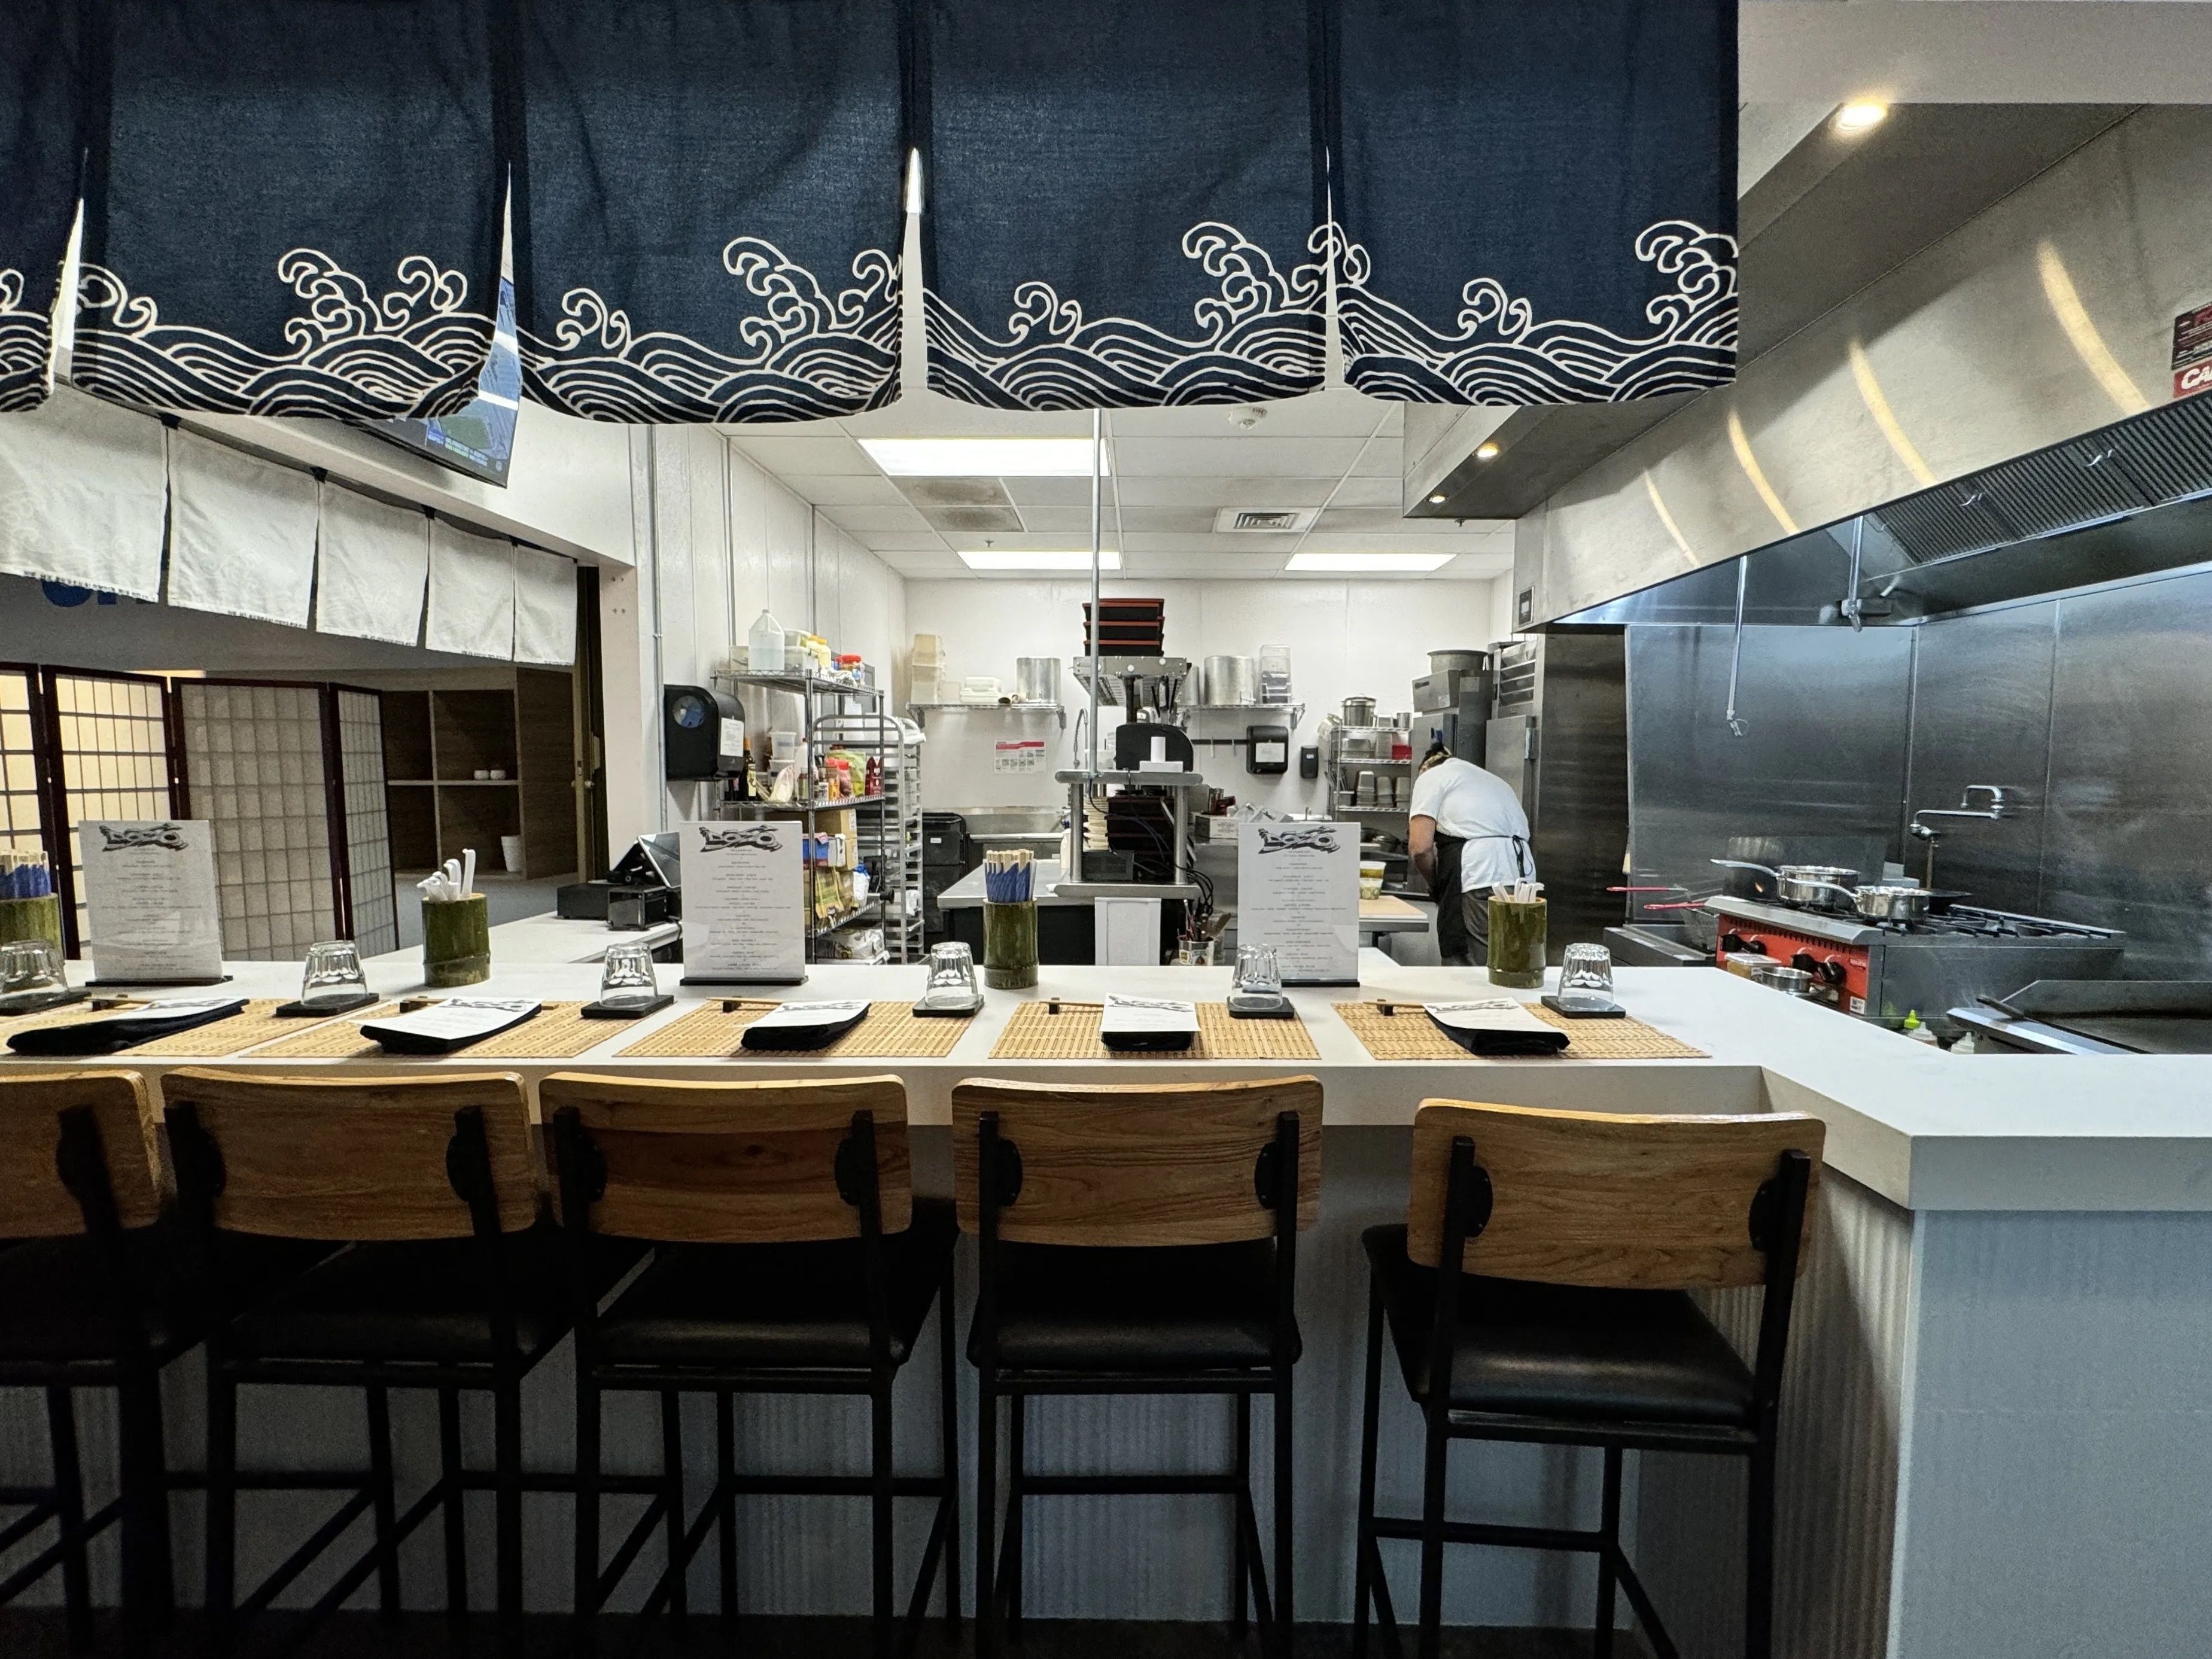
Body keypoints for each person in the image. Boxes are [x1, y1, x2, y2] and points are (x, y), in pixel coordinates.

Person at [1406, 742, 1534, 966]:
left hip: (1478, 878)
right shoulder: (1494, 781)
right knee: (1512, 965)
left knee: (1470, 970)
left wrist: (1436, 886)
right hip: (1524, 882)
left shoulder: (1431, 777)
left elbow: (1420, 847)